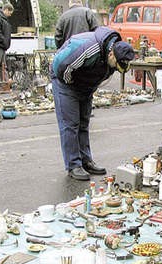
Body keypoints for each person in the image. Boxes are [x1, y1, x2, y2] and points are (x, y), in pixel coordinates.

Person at [51, 27, 135, 180]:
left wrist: (87, 88)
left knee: (83, 123)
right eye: (115, 65)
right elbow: (62, 67)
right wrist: (73, 86)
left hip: (85, 85)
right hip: (66, 81)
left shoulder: (113, 56)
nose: (115, 70)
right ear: (111, 54)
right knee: (70, 124)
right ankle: (73, 165)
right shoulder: (90, 48)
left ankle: (85, 160)